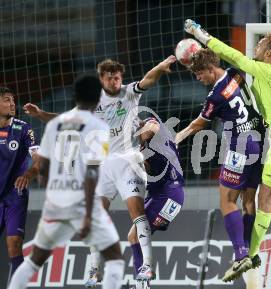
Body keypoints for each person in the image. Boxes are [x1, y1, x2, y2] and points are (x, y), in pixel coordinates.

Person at [22, 56, 176, 286]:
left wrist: (161, 68)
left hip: (128, 161)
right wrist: (40, 114)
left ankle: (147, 266)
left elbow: (147, 79)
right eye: (109, 77)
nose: (114, 81)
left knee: (137, 212)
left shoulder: (129, 93)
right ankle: (94, 271)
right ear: (101, 79)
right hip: (103, 166)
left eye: (117, 77)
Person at [184, 19, 271, 265]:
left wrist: (201, 35)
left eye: (260, 44)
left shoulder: (265, 69)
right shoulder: (257, 73)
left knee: (262, 198)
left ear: (269, 53)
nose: (256, 46)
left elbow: (233, 56)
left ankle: (248, 254)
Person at [7, 75, 125, 289]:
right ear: (98, 99)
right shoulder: (99, 126)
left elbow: (42, 169)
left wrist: (54, 191)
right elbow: (92, 173)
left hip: (55, 202)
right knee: (115, 259)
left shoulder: (55, 124)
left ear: (75, 96)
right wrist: (88, 214)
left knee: (33, 262)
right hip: (82, 202)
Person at [175, 48, 264, 282]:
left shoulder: (215, 96)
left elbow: (197, 125)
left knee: (226, 201)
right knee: (247, 201)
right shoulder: (236, 73)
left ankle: (240, 253)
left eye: (199, 74)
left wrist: (175, 139)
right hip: (260, 143)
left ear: (209, 69)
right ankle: (248, 252)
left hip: (240, 149)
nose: (198, 79)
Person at [127, 116, 185, 288]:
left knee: (136, 236)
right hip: (163, 195)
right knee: (133, 236)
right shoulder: (143, 149)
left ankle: (144, 281)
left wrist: (140, 132)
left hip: (168, 195)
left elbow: (153, 127)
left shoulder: (155, 131)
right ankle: (143, 282)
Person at [0, 87, 39, 282]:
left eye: (13, 100)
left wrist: (31, 172)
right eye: (7, 100)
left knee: (14, 244)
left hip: (16, 195)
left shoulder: (24, 128)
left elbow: (37, 157)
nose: (12, 104)